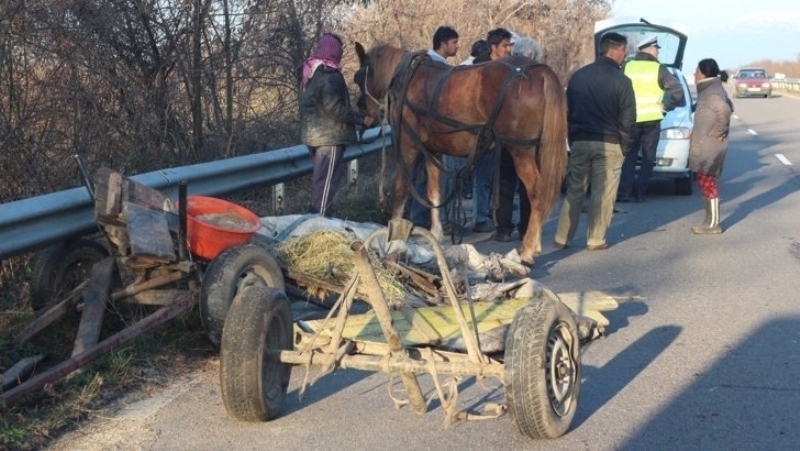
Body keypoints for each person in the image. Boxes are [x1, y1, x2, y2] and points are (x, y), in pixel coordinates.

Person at [554, 32, 635, 251]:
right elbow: (628, 119)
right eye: (623, 50)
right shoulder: (623, 81)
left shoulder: (578, 77)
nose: (625, 55)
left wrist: (572, 139)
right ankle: (596, 239)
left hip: (580, 141)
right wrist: (625, 146)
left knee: (575, 190)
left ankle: (562, 237)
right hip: (610, 144)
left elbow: (567, 113)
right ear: (613, 50)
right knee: (604, 192)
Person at [299, 32, 374, 216]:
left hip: (313, 136)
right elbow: (336, 110)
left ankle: (315, 213)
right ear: (334, 52)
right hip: (330, 138)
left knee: (319, 180)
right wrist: (361, 119)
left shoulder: (309, 71)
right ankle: (320, 219)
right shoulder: (330, 75)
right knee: (327, 182)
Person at [617, 34, 685, 202]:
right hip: (652, 121)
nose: (658, 53)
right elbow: (676, 90)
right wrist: (665, 105)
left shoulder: (626, 67)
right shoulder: (659, 69)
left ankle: (625, 192)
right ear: (650, 49)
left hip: (630, 120)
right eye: (657, 49)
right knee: (648, 158)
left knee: (629, 157)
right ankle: (640, 193)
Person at [492, 36, 544, 242]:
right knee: (527, 184)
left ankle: (503, 228)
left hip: (504, 136)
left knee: (504, 181)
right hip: (530, 138)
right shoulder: (538, 75)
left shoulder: (501, 71)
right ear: (532, 55)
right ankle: (525, 228)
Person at [409, 26, 460, 229]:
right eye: (454, 42)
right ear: (443, 44)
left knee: (428, 175)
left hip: (433, 130)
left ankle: (424, 219)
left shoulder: (438, 65)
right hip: (427, 131)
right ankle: (420, 219)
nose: (457, 46)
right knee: (425, 175)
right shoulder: (430, 67)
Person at [471, 28, 514, 233]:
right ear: (493, 47)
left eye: (510, 45)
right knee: (483, 176)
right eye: (505, 46)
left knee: (500, 178)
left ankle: (491, 213)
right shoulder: (478, 70)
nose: (509, 49)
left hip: (505, 131)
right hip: (482, 130)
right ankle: (481, 217)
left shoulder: (510, 67)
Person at [689, 58, 733, 234]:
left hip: (709, 144)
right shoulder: (707, 90)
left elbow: (724, 110)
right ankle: (709, 220)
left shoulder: (712, 93)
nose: (694, 74)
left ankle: (714, 223)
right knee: (703, 179)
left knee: (707, 180)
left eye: (696, 71)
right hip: (704, 142)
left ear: (703, 73)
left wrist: (716, 133)